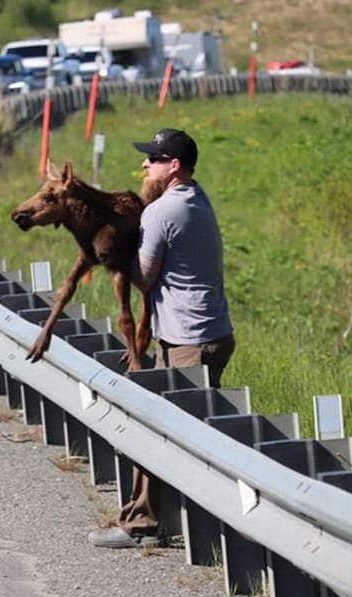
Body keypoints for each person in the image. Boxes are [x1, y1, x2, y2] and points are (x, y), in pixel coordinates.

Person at [88, 128, 235, 549]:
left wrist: (114, 254)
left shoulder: (161, 213)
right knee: (169, 430)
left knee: (163, 433)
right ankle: (150, 522)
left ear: (174, 166)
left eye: (153, 158)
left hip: (189, 340)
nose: (143, 165)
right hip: (208, 332)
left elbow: (145, 276)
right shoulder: (196, 197)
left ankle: (151, 526)